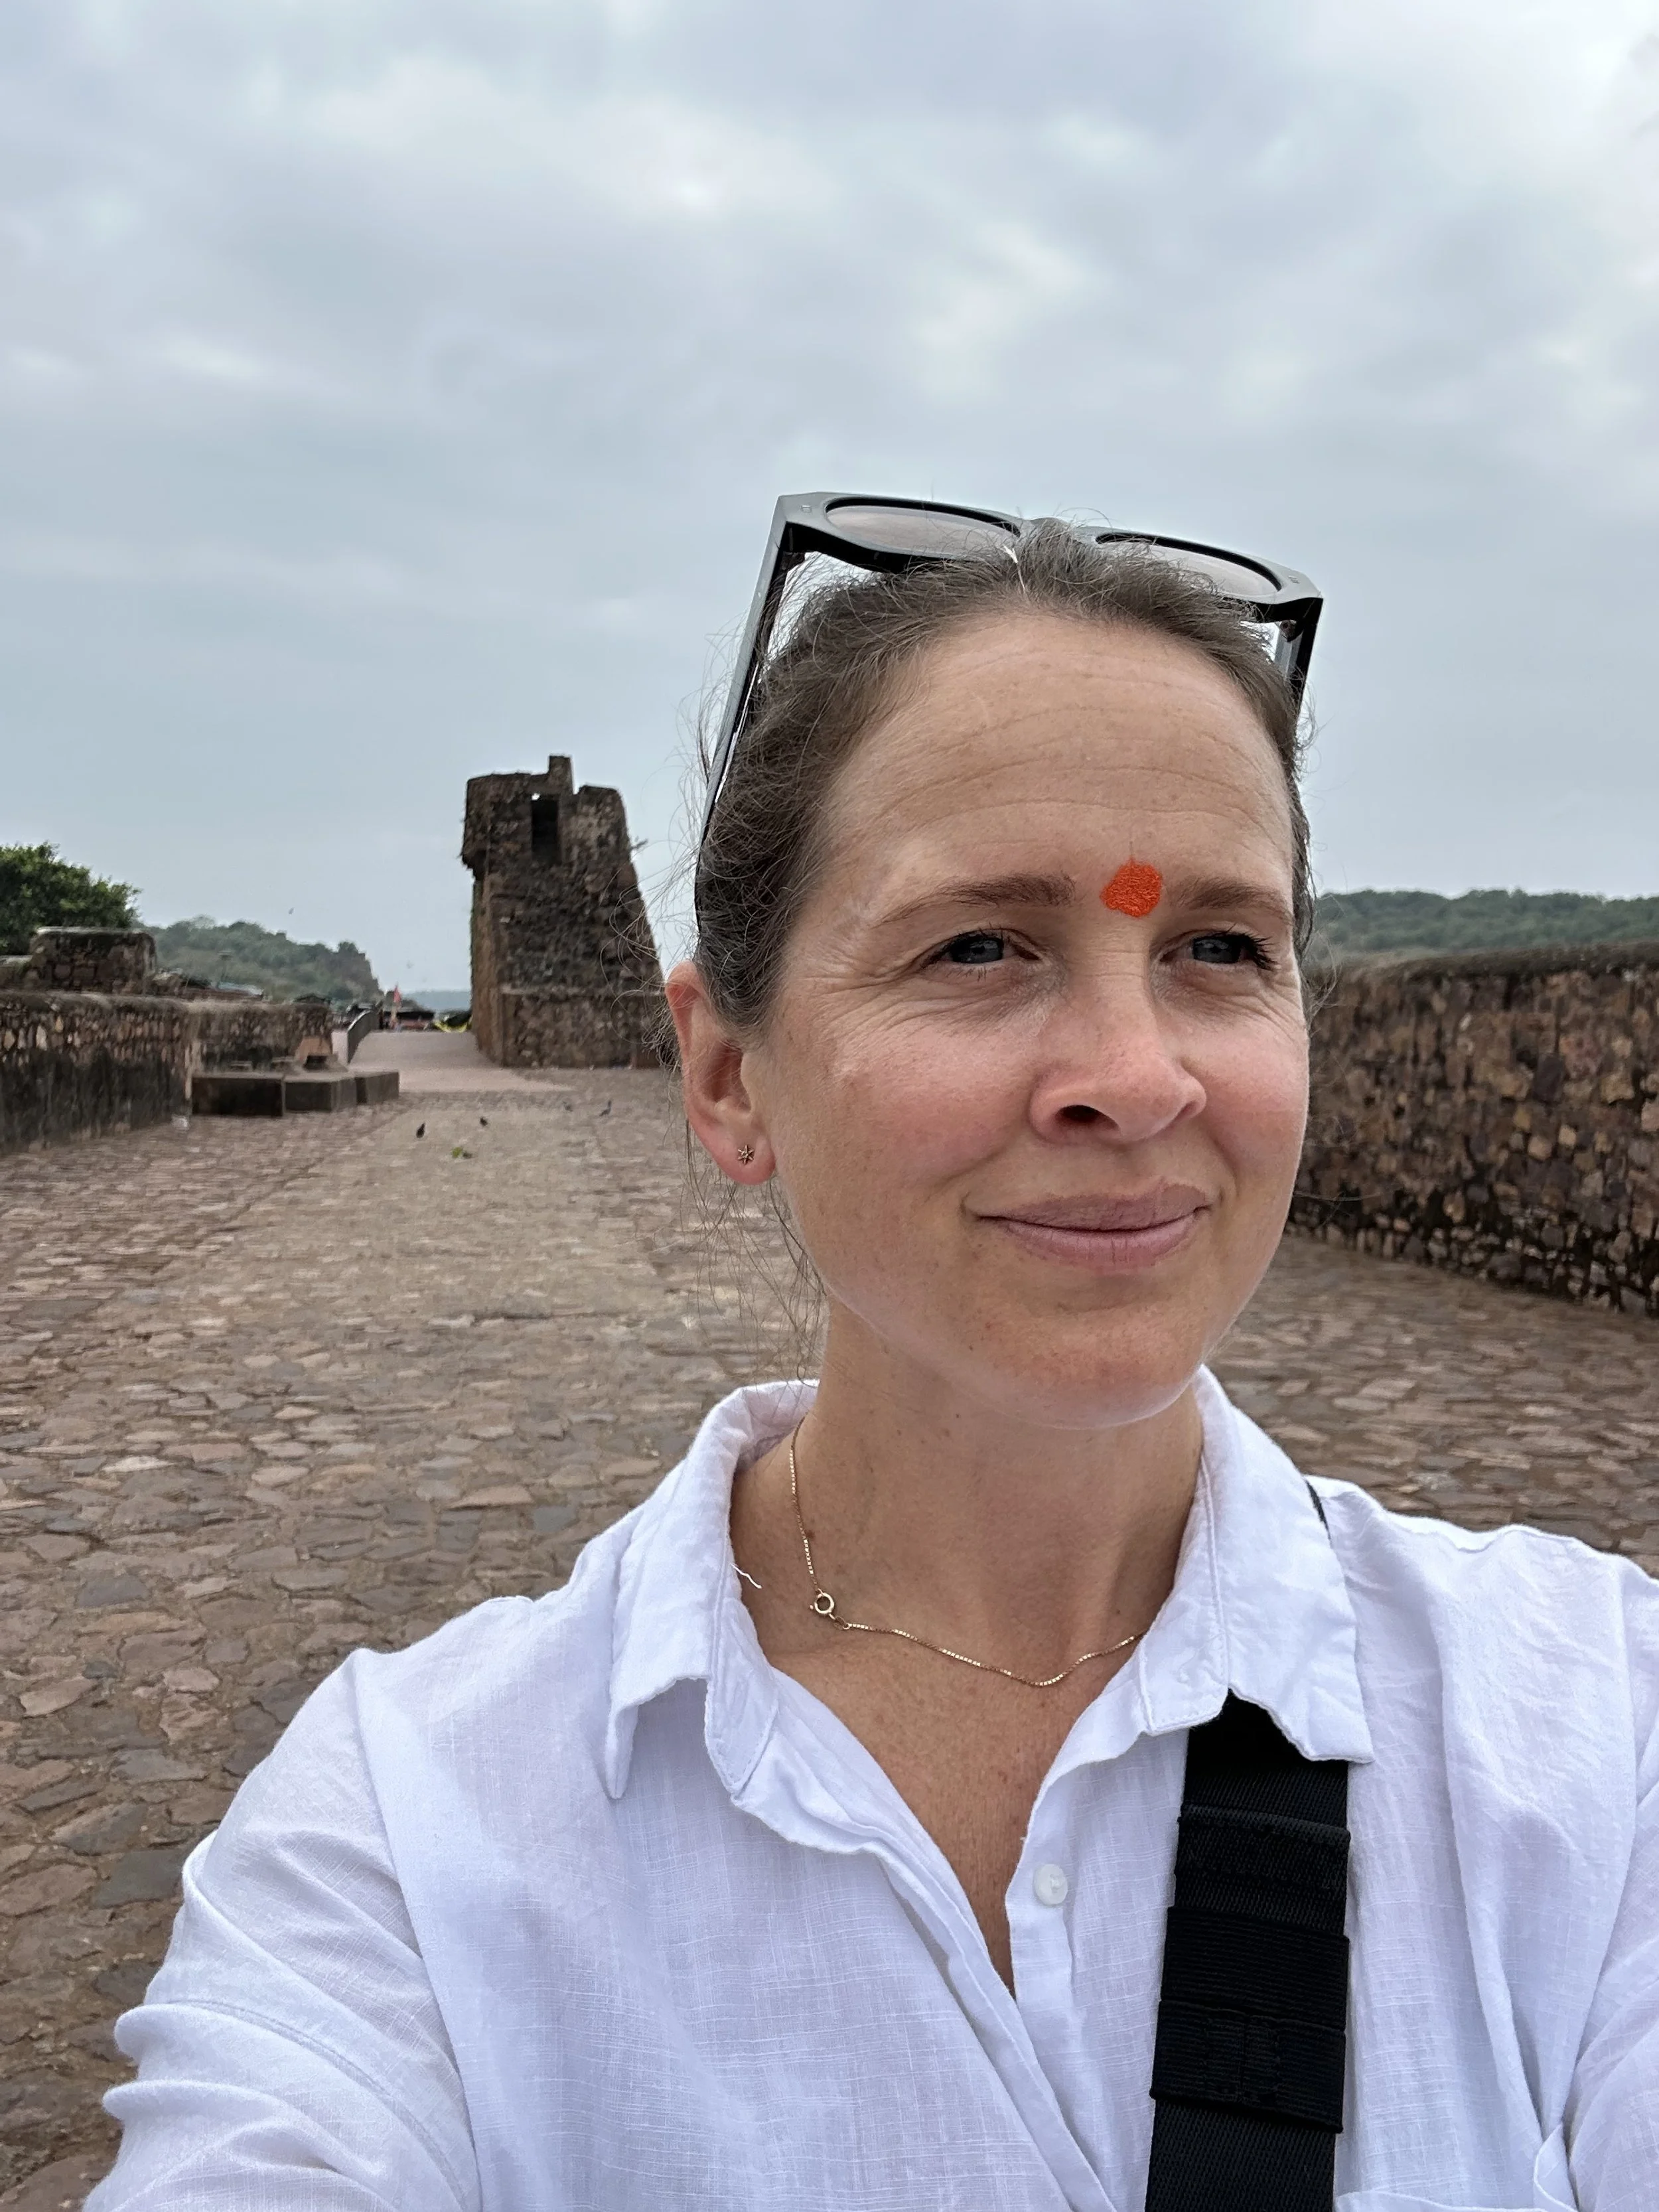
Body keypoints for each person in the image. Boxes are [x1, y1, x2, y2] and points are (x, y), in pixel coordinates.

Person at [90, 510, 1657, 2211]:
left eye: (1217, 945)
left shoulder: (1596, 1735)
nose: (1132, 1079)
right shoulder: (407, 1832)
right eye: (976, 945)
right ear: (725, 1078)